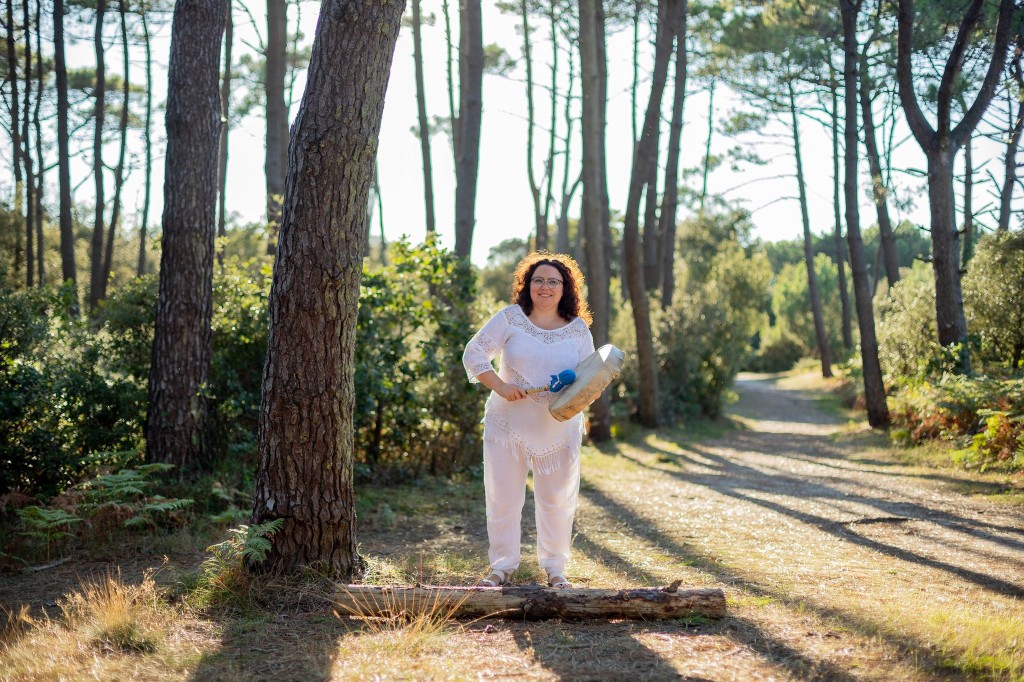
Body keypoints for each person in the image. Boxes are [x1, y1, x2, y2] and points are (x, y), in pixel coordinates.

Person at [462, 252, 595, 589]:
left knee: (556, 501)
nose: (545, 286)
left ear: (566, 288)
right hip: (507, 426)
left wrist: (573, 398)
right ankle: (501, 568)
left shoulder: (578, 330)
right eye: (538, 280)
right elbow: (474, 353)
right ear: (527, 284)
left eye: (553, 281)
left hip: (558, 429)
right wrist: (502, 386)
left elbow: (591, 378)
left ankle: (555, 570)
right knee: (504, 499)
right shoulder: (510, 318)